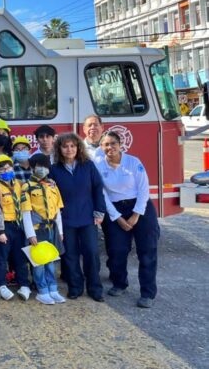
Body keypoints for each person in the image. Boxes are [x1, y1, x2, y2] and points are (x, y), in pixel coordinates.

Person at [95, 131, 160, 309]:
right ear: (101, 147)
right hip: (114, 209)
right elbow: (102, 194)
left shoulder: (133, 162)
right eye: (106, 144)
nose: (110, 147)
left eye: (113, 143)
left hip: (140, 207)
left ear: (120, 144)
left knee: (147, 251)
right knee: (116, 250)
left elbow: (143, 190)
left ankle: (147, 293)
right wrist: (116, 217)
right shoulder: (98, 165)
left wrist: (136, 214)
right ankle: (119, 283)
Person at [50, 133, 105, 302]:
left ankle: (95, 288)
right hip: (66, 220)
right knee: (70, 255)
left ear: (78, 147)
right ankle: (75, 287)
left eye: (72, 146)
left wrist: (99, 211)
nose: (69, 149)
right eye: (65, 146)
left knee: (91, 253)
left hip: (88, 217)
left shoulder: (87, 165)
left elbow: (98, 187)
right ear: (59, 149)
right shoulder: (54, 169)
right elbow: (51, 195)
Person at [22, 154, 66, 305]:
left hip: (51, 228)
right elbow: (26, 213)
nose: (42, 169)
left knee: (51, 260)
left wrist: (60, 231)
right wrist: (30, 234)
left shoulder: (53, 185)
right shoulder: (26, 187)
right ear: (33, 168)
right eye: (38, 166)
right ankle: (42, 290)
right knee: (39, 262)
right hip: (37, 229)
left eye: (45, 166)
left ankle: (53, 289)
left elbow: (57, 211)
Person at [0, 155, 32, 301]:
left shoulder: (21, 185)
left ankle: (24, 284)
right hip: (4, 226)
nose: (6, 171)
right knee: (2, 258)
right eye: (2, 169)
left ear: (13, 168)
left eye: (8, 168)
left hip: (19, 225)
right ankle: (1, 285)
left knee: (20, 257)